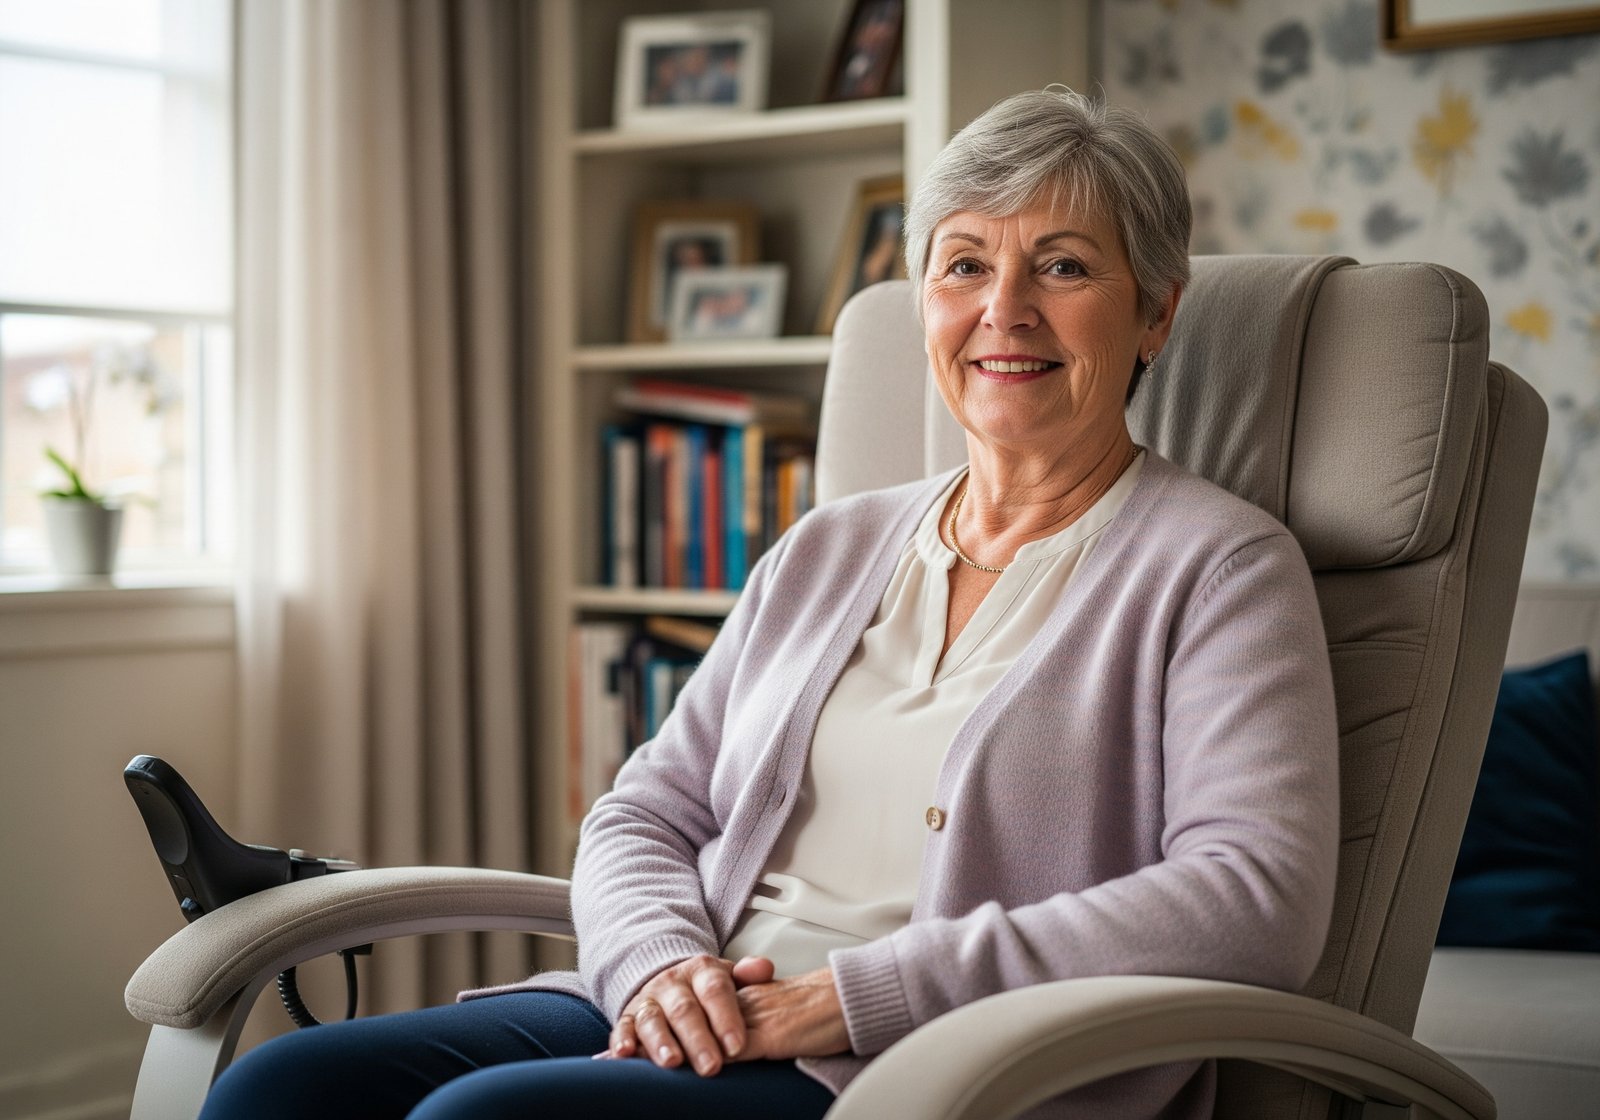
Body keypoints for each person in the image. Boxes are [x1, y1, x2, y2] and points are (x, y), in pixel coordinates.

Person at [200, 88, 1338, 1120]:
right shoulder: (831, 542)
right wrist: (657, 963)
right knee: (281, 1088)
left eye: (1063, 267)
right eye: (961, 266)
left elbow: (1251, 900)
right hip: (697, 1005)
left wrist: (856, 996)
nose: (1005, 310)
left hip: (937, 1067)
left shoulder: (1221, 568)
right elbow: (646, 809)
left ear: (1155, 315)